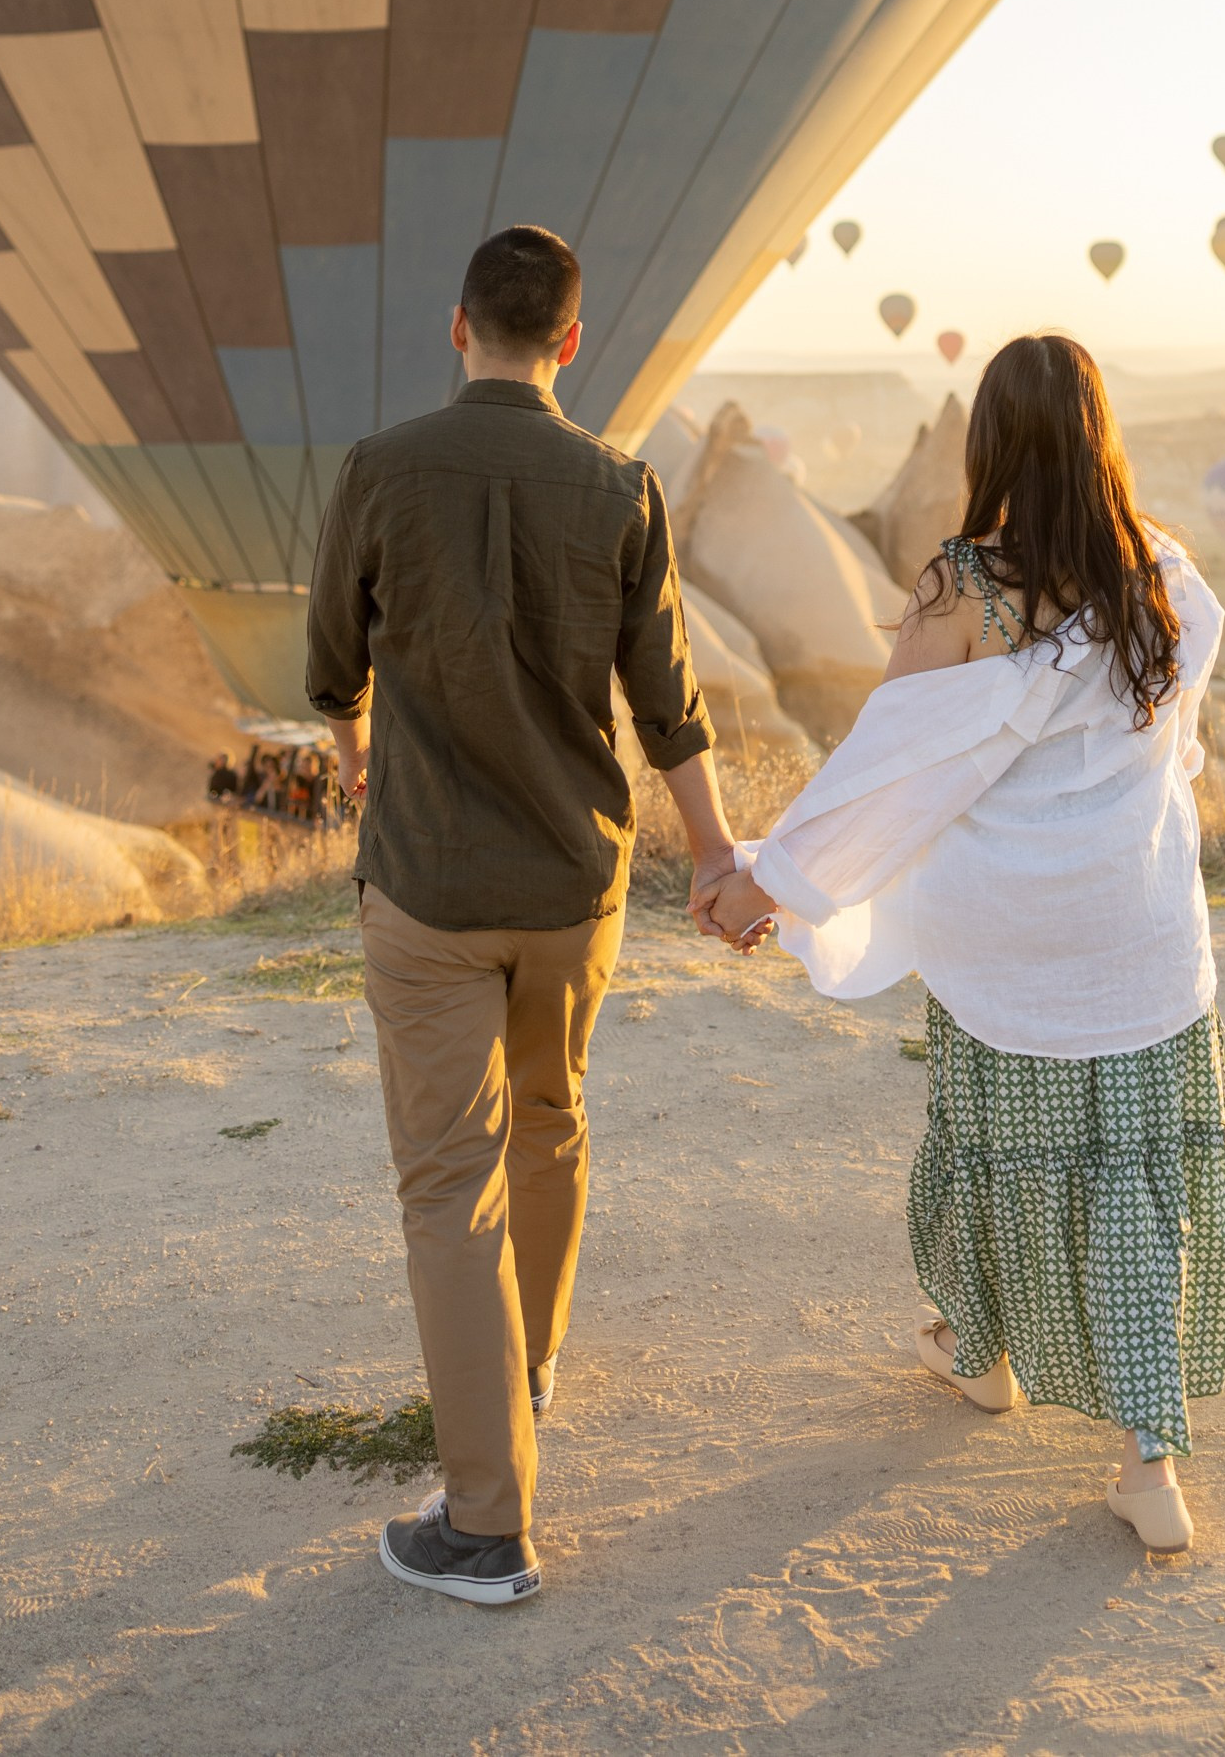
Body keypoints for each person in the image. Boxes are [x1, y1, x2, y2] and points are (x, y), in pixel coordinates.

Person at [703, 332, 1225, 1554]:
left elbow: (886, 772)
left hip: (1004, 942)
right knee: (1135, 1181)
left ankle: (984, 1352)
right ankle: (1150, 1462)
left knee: (1001, 1153)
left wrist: (767, 884)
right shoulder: (1164, 578)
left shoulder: (960, 589)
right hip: (1137, 934)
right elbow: (1175, 745)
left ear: (988, 443)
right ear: (1100, 435)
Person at [307, 222, 740, 1608]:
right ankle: (528, 1365)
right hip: (572, 887)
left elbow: (329, 664)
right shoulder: (623, 484)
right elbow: (668, 702)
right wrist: (721, 860)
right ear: (569, 341)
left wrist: (358, 744)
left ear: (457, 328)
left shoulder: (379, 471)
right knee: (549, 1120)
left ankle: (485, 1527)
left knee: (450, 1184)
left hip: (429, 887)